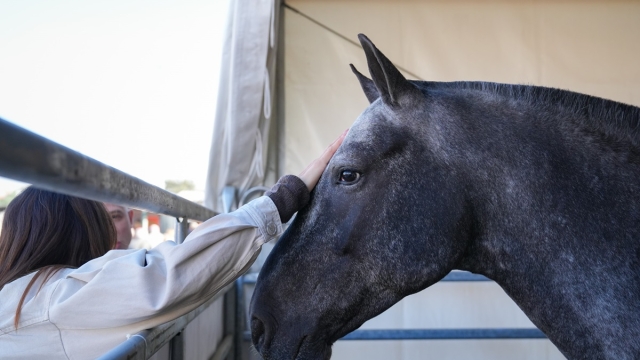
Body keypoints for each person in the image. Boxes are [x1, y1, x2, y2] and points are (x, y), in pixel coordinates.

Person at [0, 130, 347, 359]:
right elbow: (171, 276)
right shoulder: (56, 298)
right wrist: (285, 197)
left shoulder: (19, 298)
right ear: (74, 233)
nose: (111, 229)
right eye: (102, 220)